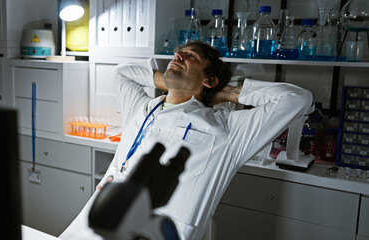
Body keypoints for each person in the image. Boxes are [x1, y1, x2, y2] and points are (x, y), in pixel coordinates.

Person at [60, 41, 313, 240]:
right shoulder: (140, 106)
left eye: (190, 57)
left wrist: (227, 93)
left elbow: (296, 99)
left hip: (159, 231)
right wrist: (171, 81)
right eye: (177, 54)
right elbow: (122, 73)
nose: (178, 56)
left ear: (209, 79)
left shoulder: (228, 129)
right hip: (98, 220)